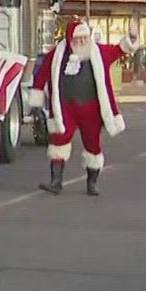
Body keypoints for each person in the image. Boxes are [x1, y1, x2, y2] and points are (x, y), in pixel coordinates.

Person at [31, 20, 132, 195]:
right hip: (65, 109)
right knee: (58, 141)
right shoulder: (57, 55)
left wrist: (132, 37)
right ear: (70, 39)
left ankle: (92, 184)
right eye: (79, 38)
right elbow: (41, 75)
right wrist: (36, 100)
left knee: (93, 145)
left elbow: (119, 50)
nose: (83, 41)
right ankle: (56, 182)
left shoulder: (99, 52)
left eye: (85, 37)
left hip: (91, 109)